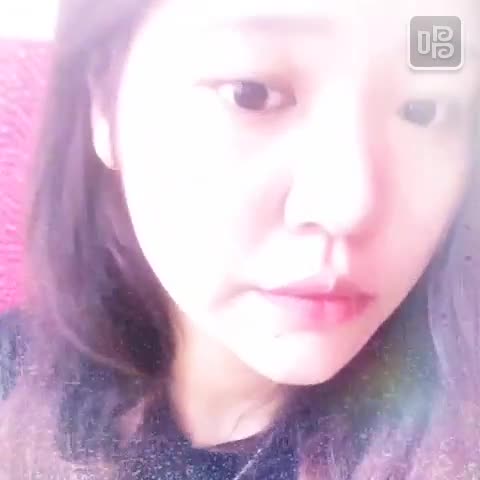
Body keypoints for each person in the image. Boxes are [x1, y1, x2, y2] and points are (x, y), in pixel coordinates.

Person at [0, 0, 479, 478]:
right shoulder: (14, 368)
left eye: (426, 109)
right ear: (103, 107)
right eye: (252, 93)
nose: (347, 208)